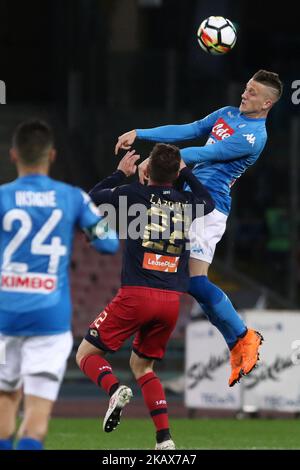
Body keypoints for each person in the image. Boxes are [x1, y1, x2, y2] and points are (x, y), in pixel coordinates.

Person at [114, 69, 283, 387]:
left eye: (252, 92)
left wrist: (156, 160)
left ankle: (241, 338)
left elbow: (207, 153)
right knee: (190, 281)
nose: (245, 94)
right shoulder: (227, 114)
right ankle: (239, 342)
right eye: (246, 87)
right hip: (188, 202)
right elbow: (189, 130)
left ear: (267, 103)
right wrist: (142, 132)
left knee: (181, 276)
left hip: (209, 209)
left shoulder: (254, 136)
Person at [76, 144, 215, 450]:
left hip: (137, 295)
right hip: (170, 302)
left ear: (146, 171)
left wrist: (120, 173)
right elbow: (209, 200)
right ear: (176, 173)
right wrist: (186, 172)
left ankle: (114, 389)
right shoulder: (188, 202)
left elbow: (87, 199)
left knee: (86, 355)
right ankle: (164, 439)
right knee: (143, 367)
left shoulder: (131, 195)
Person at [0, 120, 119, 451]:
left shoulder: (2, 196)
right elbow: (109, 243)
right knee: (35, 421)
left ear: (13, 155)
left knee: (4, 406)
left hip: (4, 315)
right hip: (48, 319)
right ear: (51, 155)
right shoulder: (72, 198)